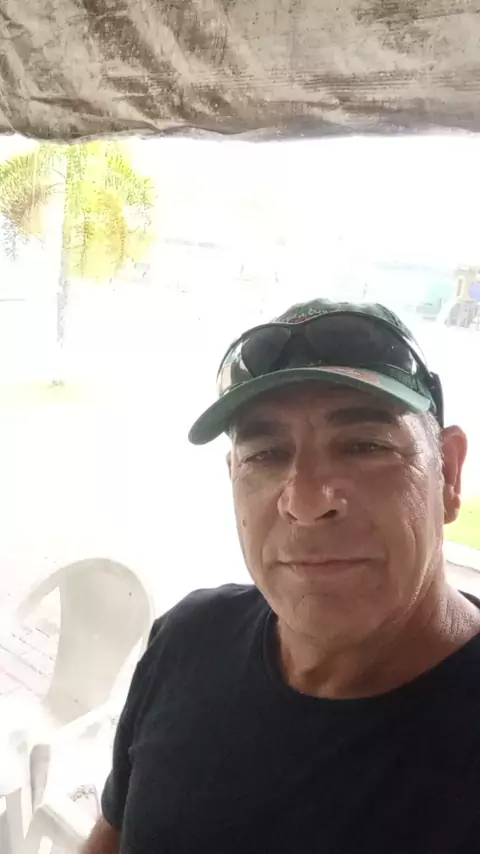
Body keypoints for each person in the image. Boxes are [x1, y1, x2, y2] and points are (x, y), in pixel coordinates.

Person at [83, 299, 480, 854]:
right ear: (232, 477)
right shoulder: (187, 638)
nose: (306, 501)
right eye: (266, 454)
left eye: (365, 445)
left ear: (449, 474)